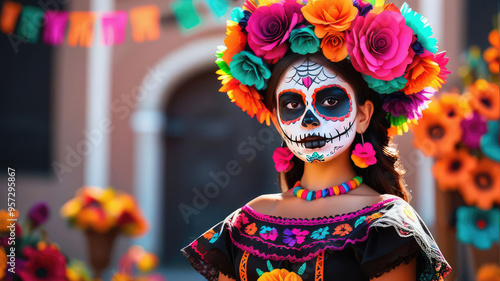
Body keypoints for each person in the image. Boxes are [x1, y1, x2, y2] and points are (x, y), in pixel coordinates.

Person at [181, 0, 452, 280]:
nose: (309, 119)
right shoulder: (246, 222)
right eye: (292, 105)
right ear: (276, 120)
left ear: (362, 115)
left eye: (331, 100)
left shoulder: (387, 224)